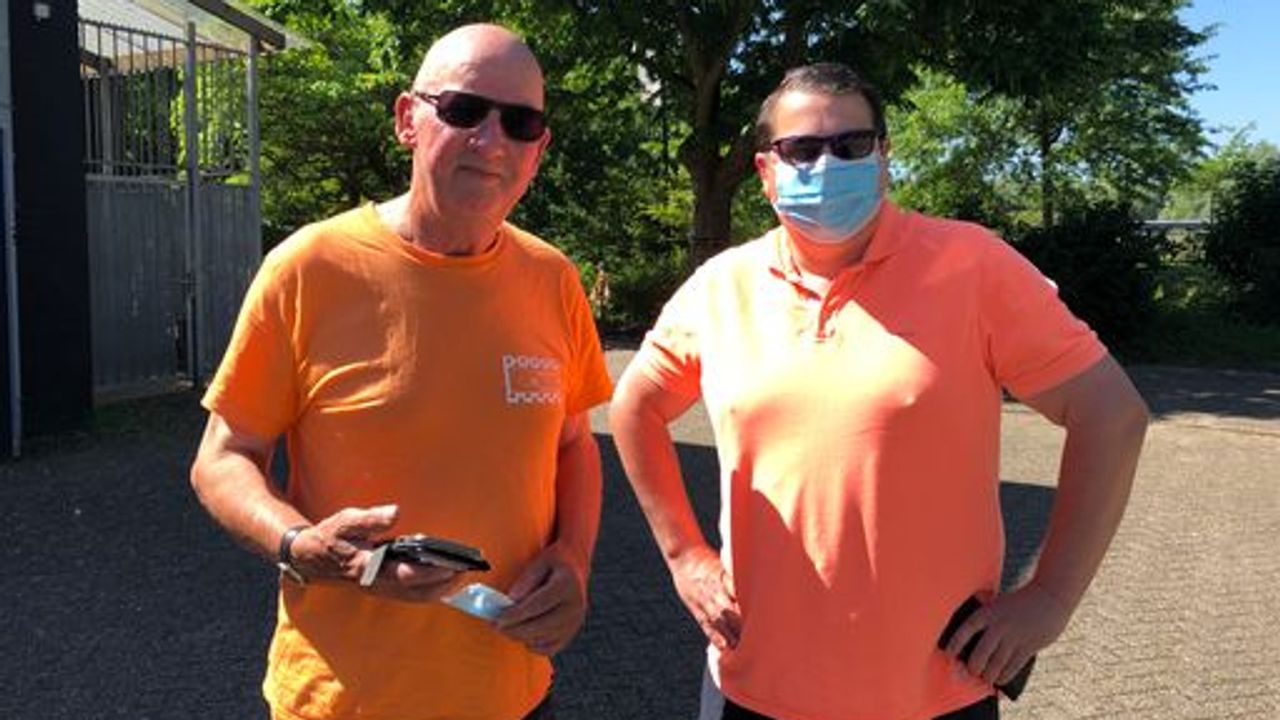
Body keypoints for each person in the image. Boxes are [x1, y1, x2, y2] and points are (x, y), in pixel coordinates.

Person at [608, 63, 1149, 720]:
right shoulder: (722, 287)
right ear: (765, 170)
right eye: (802, 149)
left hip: (934, 692)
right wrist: (684, 555)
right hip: (755, 685)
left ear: (884, 157)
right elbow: (635, 407)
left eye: (851, 144)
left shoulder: (972, 265)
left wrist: (1051, 597)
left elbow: (1111, 415)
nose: (827, 163)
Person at [189, 24, 613, 720]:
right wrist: (301, 545)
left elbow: (573, 444)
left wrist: (573, 558)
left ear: (539, 149)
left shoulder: (553, 280)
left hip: (513, 695)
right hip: (340, 702)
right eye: (464, 110)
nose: (492, 140)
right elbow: (223, 457)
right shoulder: (308, 268)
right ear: (407, 119)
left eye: (521, 122)